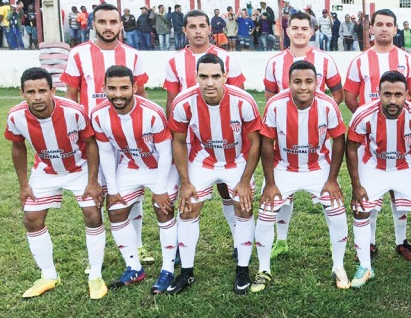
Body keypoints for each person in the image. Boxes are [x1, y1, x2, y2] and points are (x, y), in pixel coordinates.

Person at [60, 3, 152, 266]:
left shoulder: (133, 55)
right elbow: (72, 99)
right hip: (93, 138)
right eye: (103, 22)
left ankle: (139, 244)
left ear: (121, 24)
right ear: (93, 24)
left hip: (127, 137)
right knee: (95, 192)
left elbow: (141, 95)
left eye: (114, 22)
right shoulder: (78, 55)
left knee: (130, 191)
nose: (108, 27)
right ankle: (97, 251)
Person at [6, 67, 107, 299]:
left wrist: (93, 181)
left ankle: (96, 276)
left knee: (92, 213)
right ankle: (49, 275)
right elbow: (17, 147)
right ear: (22, 92)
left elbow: (91, 143)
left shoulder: (74, 111)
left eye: (43, 90)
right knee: (31, 220)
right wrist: (23, 185)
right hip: (45, 170)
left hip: (79, 168)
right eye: (31, 92)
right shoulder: (16, 116)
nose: (38, 96)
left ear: (53, 90)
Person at [166, 54, 261, 295]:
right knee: (188, 208)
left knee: (244, 206)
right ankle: (186, 273)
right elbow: (178, 141)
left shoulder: (244, 101)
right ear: (195, 77)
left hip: (237, 159)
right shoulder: (183, 102)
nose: (210, 82)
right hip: (203, 159)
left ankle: (242, 269)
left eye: (216, 76)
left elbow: (255, 141)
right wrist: (185, 182)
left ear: (225, 77)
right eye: (204, 76)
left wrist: (245, 180)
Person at [253, 60, 350, 292]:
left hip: (318, 167)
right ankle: (263, 269)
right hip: (284, 167)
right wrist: (271, 183)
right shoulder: (275, 105)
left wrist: (332, 179)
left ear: (317, 82)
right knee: (266, 214)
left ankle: (338, 265)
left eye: (309, 81)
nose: (303, 87)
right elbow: (267, 143)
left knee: (337, 213)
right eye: (297, 81)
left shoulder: (328, 105)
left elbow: (339, 140)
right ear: (288, 83)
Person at [344, 9, 411, 261]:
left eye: (389, 24)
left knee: (398, 189)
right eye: (379, 24)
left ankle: (402, 241)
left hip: (400, 133)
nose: (384, 29)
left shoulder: (407, 59)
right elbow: (349, 96)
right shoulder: (359, 61)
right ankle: (369, 242)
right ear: (371, 29)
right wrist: (370, 121)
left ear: (396, 29)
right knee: (371, 189)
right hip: (369, 134)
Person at [346, 70, 411, 288]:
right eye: (387, 94)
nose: (393, 100)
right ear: (378, 93)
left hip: (407, 165)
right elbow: (351, 148)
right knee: (361, 209)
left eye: (398, 94)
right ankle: (365, 267)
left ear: (407, 94)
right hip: (374, 166)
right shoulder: (363, 114)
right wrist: (356, 185)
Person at [90, 66, 178, 294]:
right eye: (112, 88)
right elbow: (107, 152)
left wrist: (159, 189)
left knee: (163, 208)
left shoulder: (153, 112)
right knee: (116, 210)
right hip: (130, 165)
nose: (118, 94)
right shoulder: (98, 115)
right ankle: (134, 267)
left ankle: (167, 269)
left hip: (161, 167)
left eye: (123, 88)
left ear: (134, 88)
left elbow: (166, 153)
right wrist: (113, 187)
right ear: (104, 89)